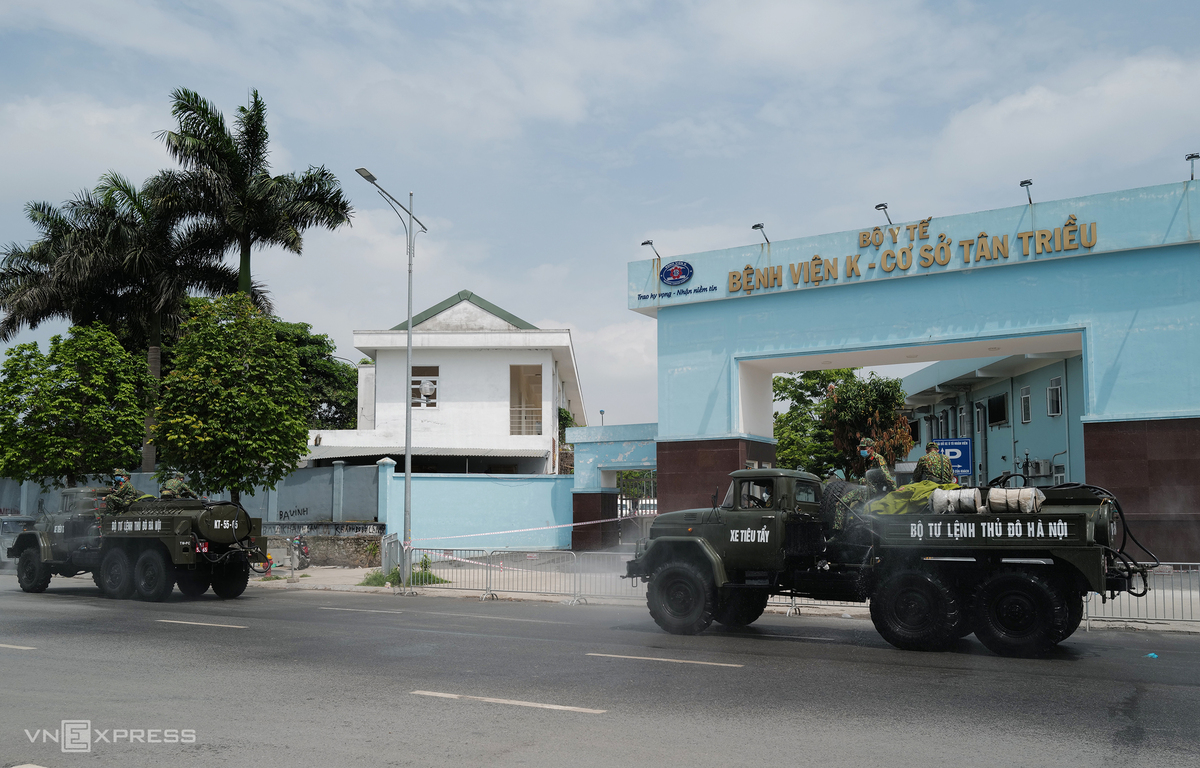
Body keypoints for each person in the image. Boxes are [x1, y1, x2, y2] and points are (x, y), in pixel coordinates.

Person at [832, 438, 896, 531]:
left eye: (864, 448)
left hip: (873, 491)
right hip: (867, 490)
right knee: (854, 512)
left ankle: (838, 532)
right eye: (861, 448)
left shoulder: (878, 459)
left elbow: (886, 475)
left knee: (841, 503)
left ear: (871, 448)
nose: (862, 450)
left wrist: (894, 489)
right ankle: (847, 532)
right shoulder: (867, 460)